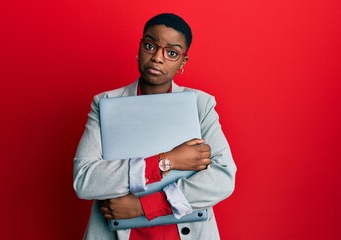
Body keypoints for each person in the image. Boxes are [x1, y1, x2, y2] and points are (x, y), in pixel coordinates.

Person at [73, 13, 237, 240]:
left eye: (171, 53)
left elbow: (222, 178)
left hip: (185, 231)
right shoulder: (105, 104)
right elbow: (85, 180)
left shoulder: (201, 104)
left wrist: (143, 206)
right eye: (150, 45)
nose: (158, 58)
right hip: (120, 232)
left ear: (182, 62)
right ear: (140, 49)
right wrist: (167, 161)